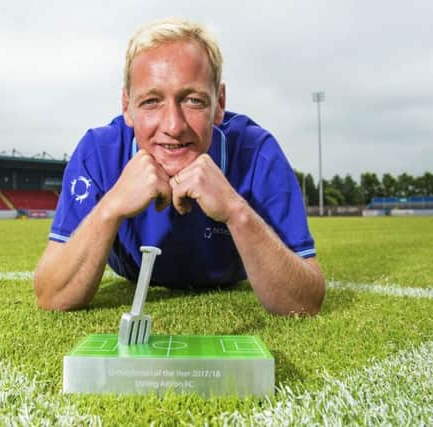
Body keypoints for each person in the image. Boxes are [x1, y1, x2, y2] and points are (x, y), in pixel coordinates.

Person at [34, 18, 325, 316]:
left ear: (219, 103)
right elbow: (51, 296)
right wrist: (112, 206)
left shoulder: (258, 154)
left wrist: (235, 211)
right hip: (133, 272)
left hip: (227, 276)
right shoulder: (98, 153)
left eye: (193, 100)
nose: (173, 126)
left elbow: (306, 301)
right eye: (151, 101)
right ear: (126, 106)